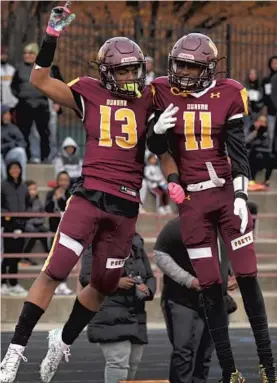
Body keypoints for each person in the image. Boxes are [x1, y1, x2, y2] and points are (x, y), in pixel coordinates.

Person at [0, 3, 160, 383]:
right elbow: (39, 80)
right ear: (106, 72)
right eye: (121, 70)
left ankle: (63, 338)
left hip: (125, 206)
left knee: (103, 284)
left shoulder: (150, 96)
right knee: (55, 269)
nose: (129, 76)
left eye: (133, 69)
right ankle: (15, 352)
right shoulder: (88, 91)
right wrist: (51, 35)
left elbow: (189, 98)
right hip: (90, 195)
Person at [147, 33, 277, 383]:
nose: (185, 72)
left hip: (223, 194)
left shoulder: (229, 94)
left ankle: (268, 364)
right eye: (181, 64)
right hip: (192, 201)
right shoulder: (162, 90)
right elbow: (157, 146)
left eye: (193, 65)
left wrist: (238, 196)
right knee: (210, 284)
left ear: (208, 68)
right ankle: (230, 370)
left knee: (247, 274)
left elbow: (238, 152)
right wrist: (155, 131)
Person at [153, 217, 239, 383]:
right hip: (183, 300)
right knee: (184, 353)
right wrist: (188, 280)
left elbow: (221, 254)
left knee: (205, 356)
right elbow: (159, 254)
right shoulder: (178, 225)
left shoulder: (222, 226)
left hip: (215, 302)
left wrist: (228, 274)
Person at [79, 233, 156, 383]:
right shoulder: (97, 241)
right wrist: (116, 283)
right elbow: (86, 277)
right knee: (118, 363)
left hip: (136, 311)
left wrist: (148, 289)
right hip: (109, 310)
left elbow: (149, 275)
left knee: (133, 363)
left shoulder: (136, 241)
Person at [10, 42, 51, 162]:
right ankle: (26, 157)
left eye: (30, 53)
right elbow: (14, 86)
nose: (27, 55)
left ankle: (45, 157)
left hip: (41, 105)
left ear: (37, 54)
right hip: (24, 106)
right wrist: (21, 96)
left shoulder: (45, 68)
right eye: (25, 53)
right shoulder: (19, 68)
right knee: (24, 133)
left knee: (44, 133)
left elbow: (53, 84)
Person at [1, 161, 28, 296]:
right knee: (8, 254)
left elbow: (28, 204)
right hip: (8, 225)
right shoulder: (3, 185)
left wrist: (25, 219)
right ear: (8, 170)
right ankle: (3, 283)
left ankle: (13, 283)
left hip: (21, 226)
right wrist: (7, 216)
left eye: (17, 168)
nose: (15, 170)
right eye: (12, 168)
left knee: (16, 256)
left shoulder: (23, 187)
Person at [45, 171, 73, 296]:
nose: (63, 183)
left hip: (68, 232)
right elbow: (47, 209)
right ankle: (53, 285)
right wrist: (55, 199)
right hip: (54, 231)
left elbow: (71, 209)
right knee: (53, 260)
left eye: (66, 180)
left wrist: (63, 199)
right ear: (57, 181)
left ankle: (63, 284)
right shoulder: (51, 193)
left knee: (65, 260)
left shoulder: (72, 194)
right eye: (61, 180)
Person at [246, 115, 275, 191]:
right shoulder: (250, 129)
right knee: (254, 156)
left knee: (271, 158)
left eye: (264, 122)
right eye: (260, 121)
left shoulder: (267, 132)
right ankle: (251, 179)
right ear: (256, 122)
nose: (262, 124)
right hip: (249, 153)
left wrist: (265, 134)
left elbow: (269, 146)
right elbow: (245, 141)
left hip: (261, 153)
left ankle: (266, 180)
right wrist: (255, 132)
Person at [23, 180, 49, 258]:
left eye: (34, 189)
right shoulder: (23, 202)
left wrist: (35, 221)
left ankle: (47, 253)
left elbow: (42, 216)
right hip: (26, 225)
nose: (33, 192)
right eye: (30, 189)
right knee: (34, 232)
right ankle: (25, 256)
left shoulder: (39, 201)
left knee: (43, 230)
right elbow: (24, 217)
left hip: (37, 224)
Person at [1, 104, 27, 180]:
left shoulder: (12, 127)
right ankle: (5, 181)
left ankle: (22, 179)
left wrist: (11, 145)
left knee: (20, 151)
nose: (8, 116)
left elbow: (22, 142)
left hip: (8, 154)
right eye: (5, 114)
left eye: (8, 114)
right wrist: (10, 144)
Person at [261, 56, 277, 151]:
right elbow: (265, 96)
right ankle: (271, 153)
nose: (275, 65)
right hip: (271, 111)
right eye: (273, 63)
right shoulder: (267, 80)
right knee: (271, 134)